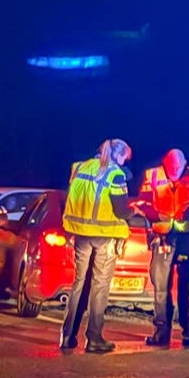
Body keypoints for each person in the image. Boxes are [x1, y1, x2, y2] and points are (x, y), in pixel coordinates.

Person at [61, 138, 138, 354]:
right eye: (125, 159)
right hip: (104, 235)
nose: (124, 163)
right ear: (118, 155)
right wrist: (134, 211)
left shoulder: (80, 167)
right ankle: (94, 338)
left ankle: (67, 336)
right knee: (100, 286)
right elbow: (121, 211)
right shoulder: (115, 174)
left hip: (81, 234)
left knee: (79, 284)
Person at [138, 148, 189, 347]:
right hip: (162, 237)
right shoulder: (152, 175)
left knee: (188, 286)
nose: (175, 170)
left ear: (185, 163)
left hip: (187, 237)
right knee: (160, 286)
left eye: (179, 166)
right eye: (171, 167)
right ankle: (161, 332)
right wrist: (155, 216)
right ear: (164, 163)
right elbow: (143, 203)